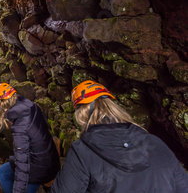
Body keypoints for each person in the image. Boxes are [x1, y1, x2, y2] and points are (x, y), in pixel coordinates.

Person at [50, 80, 188, 192]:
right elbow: (183, 186)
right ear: (114, 107)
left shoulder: (82, 152)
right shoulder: (155, 143)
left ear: (81, 115)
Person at [0, 83, 60, 193]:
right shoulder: (31, 106)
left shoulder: (20, 126)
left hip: (39, 170)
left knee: (2, 173)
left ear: (1, 105)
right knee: (4, 171)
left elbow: (22, 164)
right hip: (51, 161)